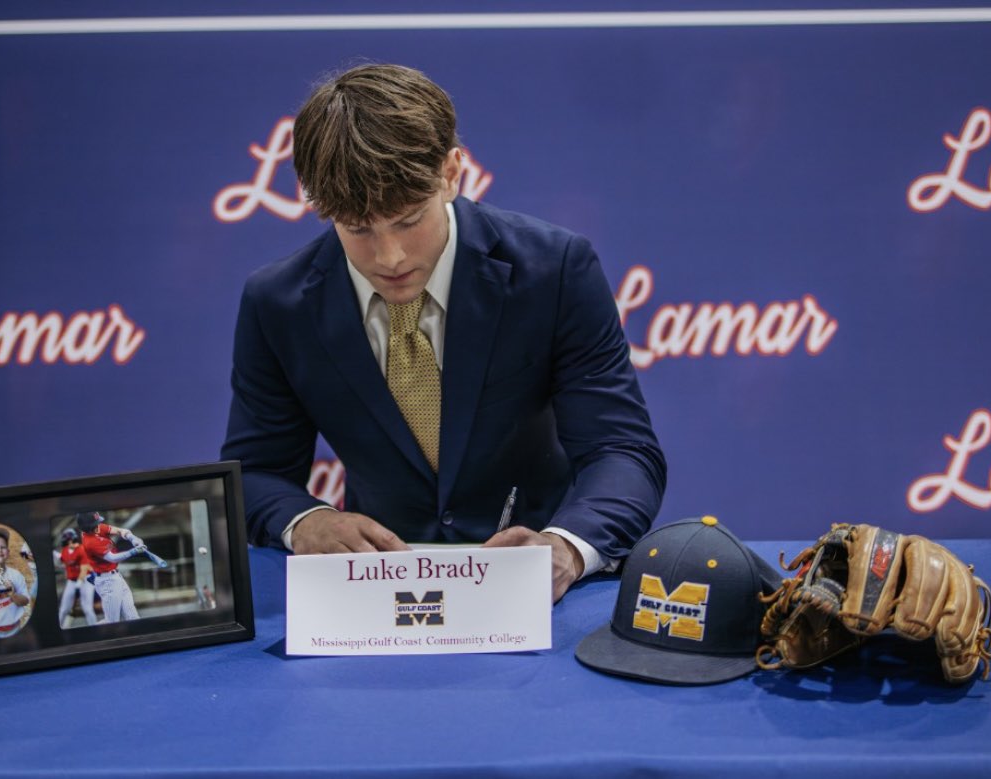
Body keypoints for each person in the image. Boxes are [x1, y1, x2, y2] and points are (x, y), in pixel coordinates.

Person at [221, 63, 666, 601]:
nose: (389, 257)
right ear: (315, 204)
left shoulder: (554, 269)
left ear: (451, 172)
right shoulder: (278, 303)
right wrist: (308, 521)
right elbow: (255, 474)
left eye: (409, 220)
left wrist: (567, 547)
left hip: (544, 594)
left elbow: (621, 449)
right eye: (358, 229)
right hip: (373, 596)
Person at [76, 511, 146, 623]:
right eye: (95, 524)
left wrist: (133, 538)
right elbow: (113, 558)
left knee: (133, 617)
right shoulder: (90, 542)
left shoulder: (97, 528)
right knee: (112, 622)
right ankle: (87, 636)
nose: (98, 526)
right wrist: (134, 551)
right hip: (107, 582)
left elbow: (120, 530)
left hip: (116, 577)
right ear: (87, 527)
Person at [54, 528, 98, 628]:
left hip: (85, 580)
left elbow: (84, 569)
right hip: (72, 581)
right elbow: (62, 561)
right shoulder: (65, 550)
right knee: (64, 609)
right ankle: (59, 628)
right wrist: (55, 557)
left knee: (87, 608)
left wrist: (79, 583)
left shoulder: (82, 550)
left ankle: (95, 629)